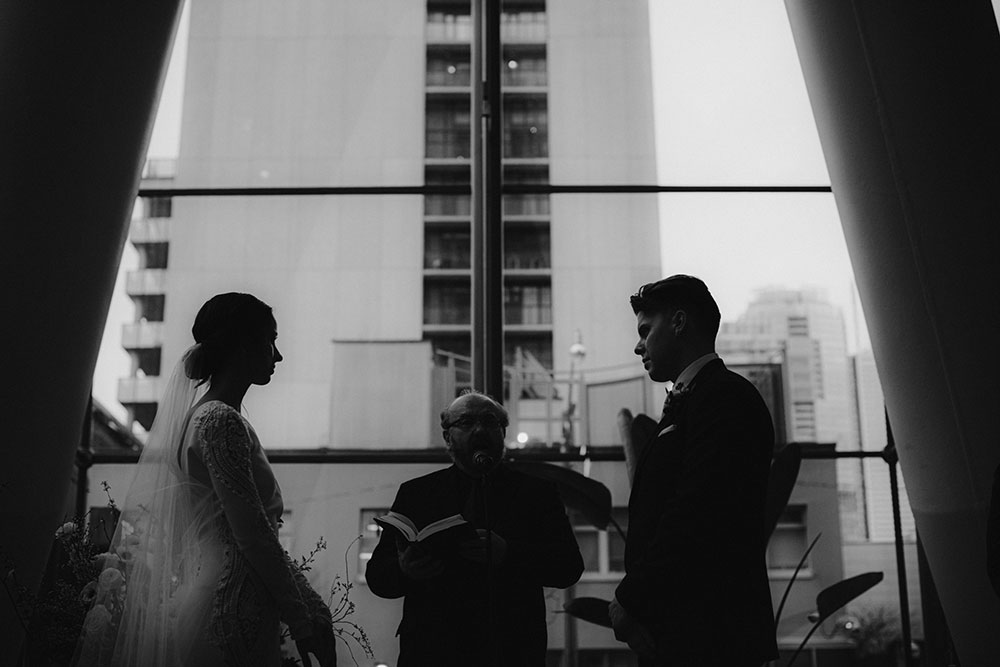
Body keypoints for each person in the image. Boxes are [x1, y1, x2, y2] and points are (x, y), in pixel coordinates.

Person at [75, 293, 335, 667]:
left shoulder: (204, 418)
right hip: (231, 607)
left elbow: (254, 534)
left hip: (226, 598)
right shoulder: (219, 420)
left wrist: (310, 608)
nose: (277, 356)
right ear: (244, 345)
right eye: (270, 341)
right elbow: (254, 536)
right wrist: (304, 616)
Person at [610, 275, 778, 666]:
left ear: (680, 322)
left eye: (645, 331)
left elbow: (696, 511)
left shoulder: (726, 398)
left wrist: (630, 599)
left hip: (710, 634)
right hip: (683, 630)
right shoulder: (703, 399)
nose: (638, 346)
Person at [365, 391, 584, 666]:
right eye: (466, 422)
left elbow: (569, 566)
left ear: (503, 433)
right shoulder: (417, 494)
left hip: (511, 648)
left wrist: (509, 553)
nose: (479, 429)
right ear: (447, 437)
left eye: (489, 421)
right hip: (432, 648)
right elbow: (377, 577)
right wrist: (404, 570)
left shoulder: (536, 493)